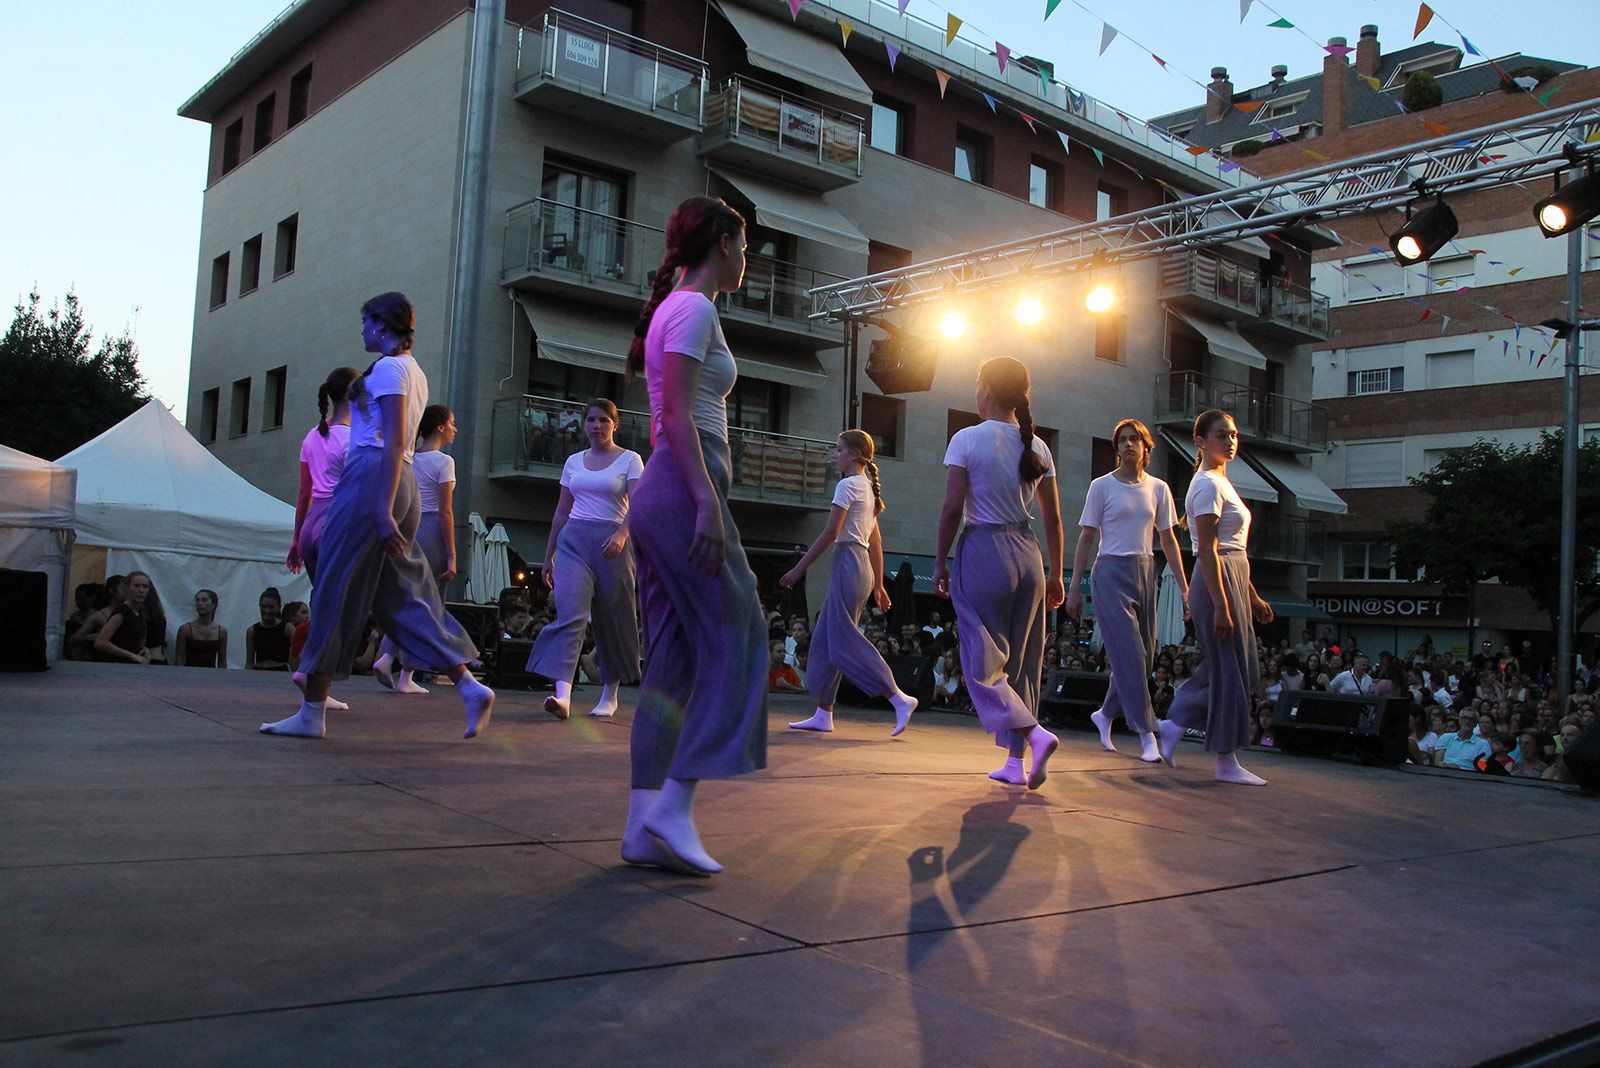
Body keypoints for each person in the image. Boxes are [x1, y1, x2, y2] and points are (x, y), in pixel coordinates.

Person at [259, 292, 494, 740]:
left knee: (333, 586)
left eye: (366, 322)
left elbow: (388, 441)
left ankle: (311, 712)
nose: (362, 330)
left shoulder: (390, 369)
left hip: (375, 479)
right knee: (398, 596)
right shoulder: (412, 370)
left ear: (383, 324)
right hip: (398, 481)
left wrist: (381, 510)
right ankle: (468, 684)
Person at [619, 197, 768, 877]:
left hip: (670, 489)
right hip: (684, 486)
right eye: (745, 244)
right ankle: (674, 805)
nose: (749, 257)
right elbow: (676, 416)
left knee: (672, 669)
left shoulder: (676, 307)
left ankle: (640, 828)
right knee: (741, 636)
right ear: (723, 242)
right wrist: (708, 501)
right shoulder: (695, 308)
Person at [934, 356, 1065, 790]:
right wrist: (1058, 573)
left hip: (985, 547)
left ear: (986, 391)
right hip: (1029, 554)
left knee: (982, 660)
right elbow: (1054, 520)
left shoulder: (967, 438)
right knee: (1024, 663)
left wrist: (939, 561)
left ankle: (1033, 733)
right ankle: (1014, 762)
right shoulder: (1038, 446)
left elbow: (953, 509)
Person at [1156, 410, 1275, 786]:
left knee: (1231, 668)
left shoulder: (1222, 482)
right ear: (1202, 441)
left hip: (1233, 575)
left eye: (1234, 434)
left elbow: (1235, 548)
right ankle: (1226, 761)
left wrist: (1252, 596)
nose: (1231, 440)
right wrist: (1223, 605)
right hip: (1216, 580)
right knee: (1229, 672)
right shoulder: (1205, 484)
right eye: (1222, 435)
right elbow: (1206, 550)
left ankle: (1174, 723)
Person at [1064, 417, 1187, 763]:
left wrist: (1184, 587)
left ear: (1147, 447)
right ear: (1116, 448)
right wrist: (1075, 587)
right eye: (1122, 440)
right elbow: (1087, 536)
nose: (1129, 444)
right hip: (1110, 571)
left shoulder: (1159, 488)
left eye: (1135, 439)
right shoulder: (1101, 486)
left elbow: (1168, 539)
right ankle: (1146, 731)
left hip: (1147, 570)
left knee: (1144, 657)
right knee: (1131, 653)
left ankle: (1104, 713)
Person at [780, 429, 919, 736]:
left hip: (849, 563)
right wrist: (880, 585)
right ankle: (824, 712)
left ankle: (897, 697)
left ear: (855, 454)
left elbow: (831, 533)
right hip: (859, 565)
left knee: (843, 640)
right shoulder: (867, 488)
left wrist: (799, 569)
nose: (835, 454)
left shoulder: (848, 485)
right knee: (826, 641)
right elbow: (876, 539)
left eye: (839, 449)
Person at [524, 398, 644, 720]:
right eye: (591, 419)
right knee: (571, 615)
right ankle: (562, 695)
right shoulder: (573, 461)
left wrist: (621, 535)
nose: (596, 426)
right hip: (573, 541)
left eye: (604, 420)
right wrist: (547, 556)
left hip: (612, 544)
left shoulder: (630, 460)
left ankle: (610, 694)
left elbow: (640, 505)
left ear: (614, 424)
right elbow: (562, 510)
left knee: (613, 618)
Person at [372, 404, 462, 695]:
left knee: (407, 595)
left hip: (408, 524)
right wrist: (452, 553)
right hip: (432, 527)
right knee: (429, 600)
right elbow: (446, 511)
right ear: (440, 427)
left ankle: (388, 656)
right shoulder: (444, 462)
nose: (454, 429)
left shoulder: (410, 457)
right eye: (452, 423)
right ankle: (404, 672)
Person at [286, 366, 360, 707]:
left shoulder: (312, 436)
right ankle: (312, 671)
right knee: (337, 604)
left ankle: (318, 683)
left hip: (312, 520)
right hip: (336, 519)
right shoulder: (352, 438)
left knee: (323, 599)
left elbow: (304, 494)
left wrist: (296, 540)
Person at [93, 571, 160, 665]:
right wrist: (130, 655)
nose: (141, 590)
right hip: (116, 665)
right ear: (126, 588)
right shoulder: (122, 611)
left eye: (145, 587)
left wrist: (144, 649)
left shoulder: (140, 611)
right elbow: (100, 642)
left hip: (131, 665)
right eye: (137, 586)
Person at [174, 589, 228, 668]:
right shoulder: (185, 629)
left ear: (214, 604)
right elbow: (179, 659)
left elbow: (222, 661)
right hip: (189, 675)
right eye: (197, 600)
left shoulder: (221, 632)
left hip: (211, 676)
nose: (200, 603)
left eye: (204, 600)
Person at [246, 587, 294, 671]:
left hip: (281, 673)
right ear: (259, 606)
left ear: (278, 608)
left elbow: (294, 660)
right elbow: (249, 662)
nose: (267, 610)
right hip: (259, 673)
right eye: (264, 607)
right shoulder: (252, 631)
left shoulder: (288, 629)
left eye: (271, 607)